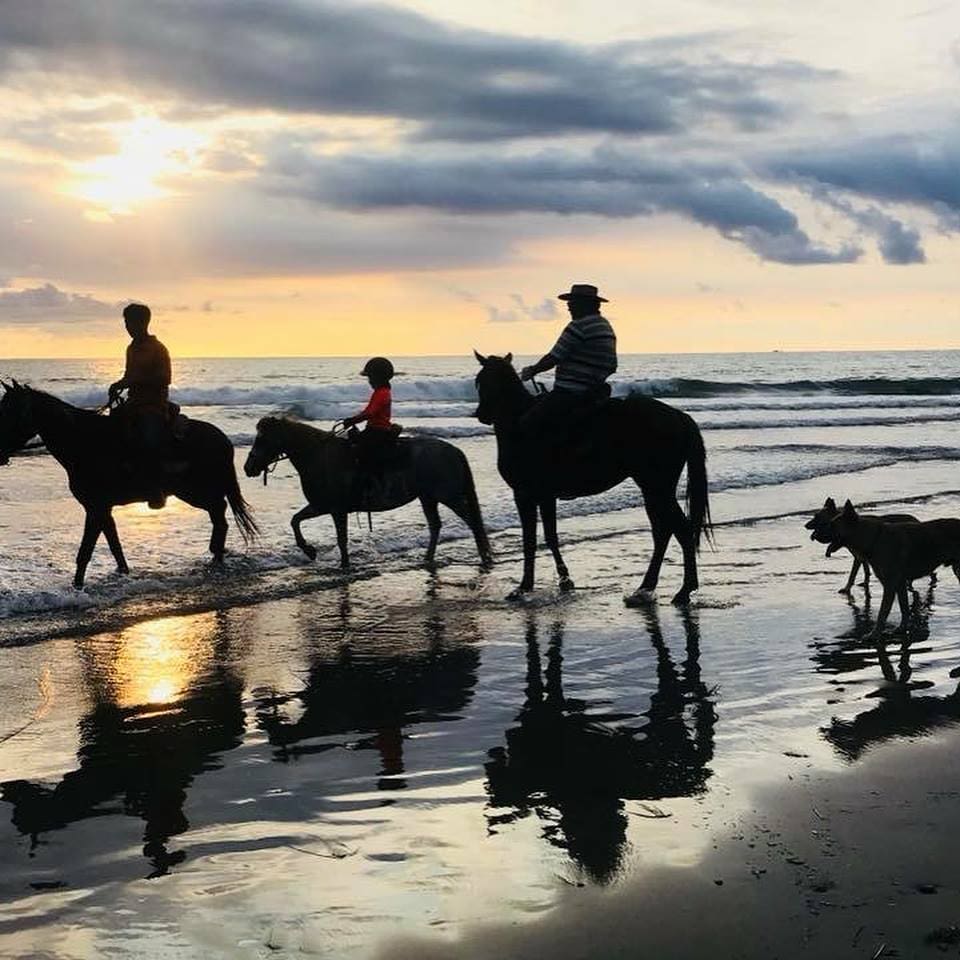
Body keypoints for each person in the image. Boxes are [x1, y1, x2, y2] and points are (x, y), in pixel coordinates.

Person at [518, 283, 617, 456]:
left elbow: (554, 357)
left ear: (586, 304)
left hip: (571, 391)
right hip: (595, 390)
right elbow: (611, 365)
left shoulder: (578, 326)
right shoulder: (604, 326)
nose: (569, 306)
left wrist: (532, 370)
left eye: (573, 302)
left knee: (529, 421)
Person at [108, 302, 172, 509]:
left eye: (130, 322)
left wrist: (133, 382)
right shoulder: (131, 348)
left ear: (142, 322)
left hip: (153, 405)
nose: (127, 327)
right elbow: (129, 375)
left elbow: (165, 378)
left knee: (148, 439)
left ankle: (156, 489)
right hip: (134, 403)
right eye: (126, 323)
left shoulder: (157, 348)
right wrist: (118, 384)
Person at [342, 357, 398, 490]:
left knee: (360, 454)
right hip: (374, 429)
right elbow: (368, 411)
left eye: (370, 377)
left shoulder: (382, 393)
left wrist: (353, 420)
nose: (369, 381)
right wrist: (354, 419)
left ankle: (369, 484)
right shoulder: (379, 392)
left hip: (378, 431)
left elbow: (370, 413)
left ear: (378, 377)